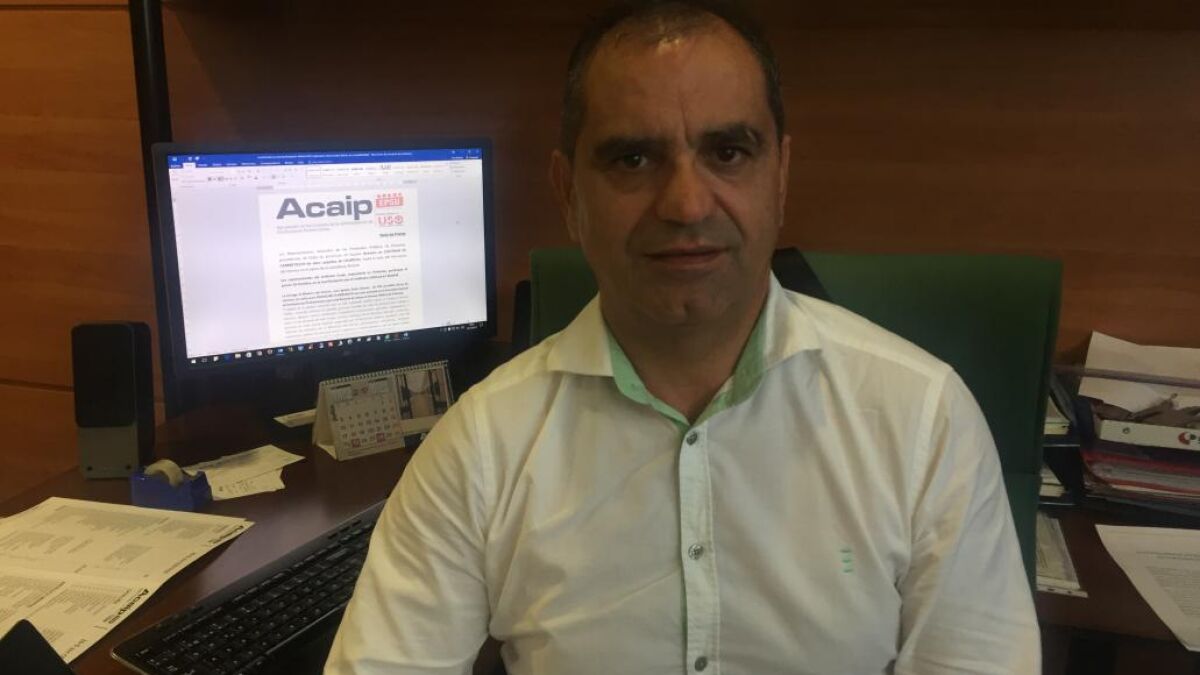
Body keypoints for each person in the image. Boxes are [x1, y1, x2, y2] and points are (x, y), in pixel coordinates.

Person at [324, 1, 1040, 673]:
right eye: (633, 159)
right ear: (568, 193)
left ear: (780, 177)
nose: (688, 204)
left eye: (728, 151)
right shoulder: (479, 446)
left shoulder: (923, 418)